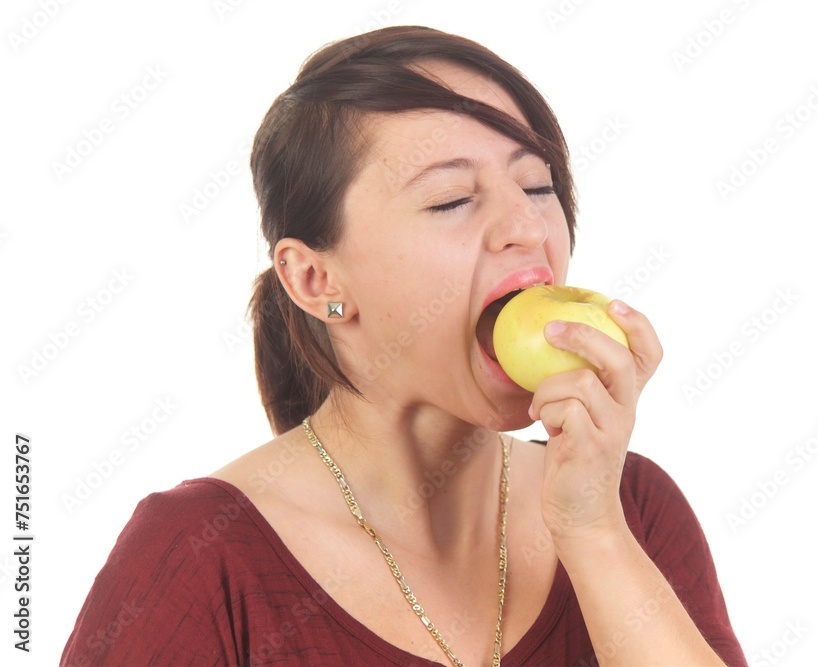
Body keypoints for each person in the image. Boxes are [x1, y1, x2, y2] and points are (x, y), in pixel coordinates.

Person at [62, 25, 747, 666]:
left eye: (537, 185)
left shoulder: (632, 509)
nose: (527, 226)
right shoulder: (198, 557)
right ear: (316, 279)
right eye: (451, 199)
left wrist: (593, 532)